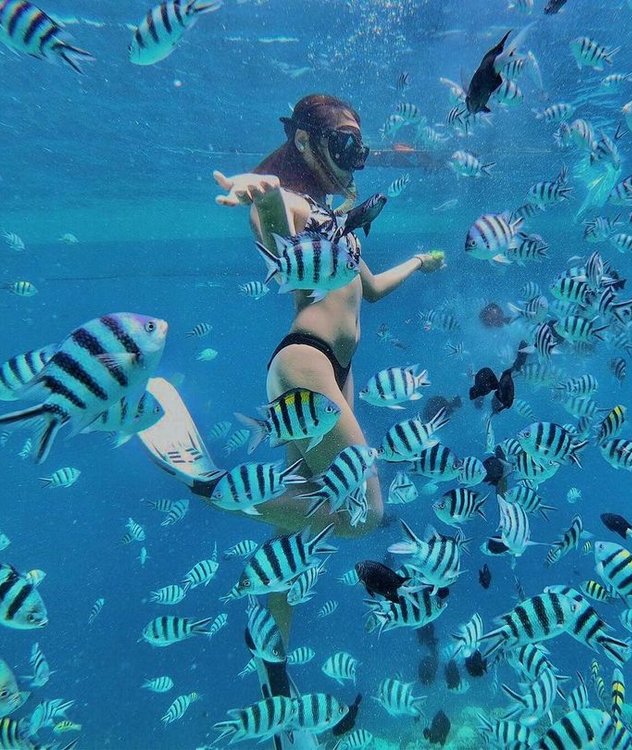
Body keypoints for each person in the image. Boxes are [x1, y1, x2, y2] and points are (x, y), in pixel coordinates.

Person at [138, 93, 442, 748]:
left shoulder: (334, 220)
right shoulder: (297, 206)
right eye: (344, 142)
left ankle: (271, 662)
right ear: (305, 142)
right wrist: (262, 194)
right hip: (307, 366)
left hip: (332, 371)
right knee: (361, 513)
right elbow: (274, 222)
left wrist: (419, 262)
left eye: (360, 144)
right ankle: (212, 487)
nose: (356, 155)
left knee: (295, 529)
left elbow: (370, 289)